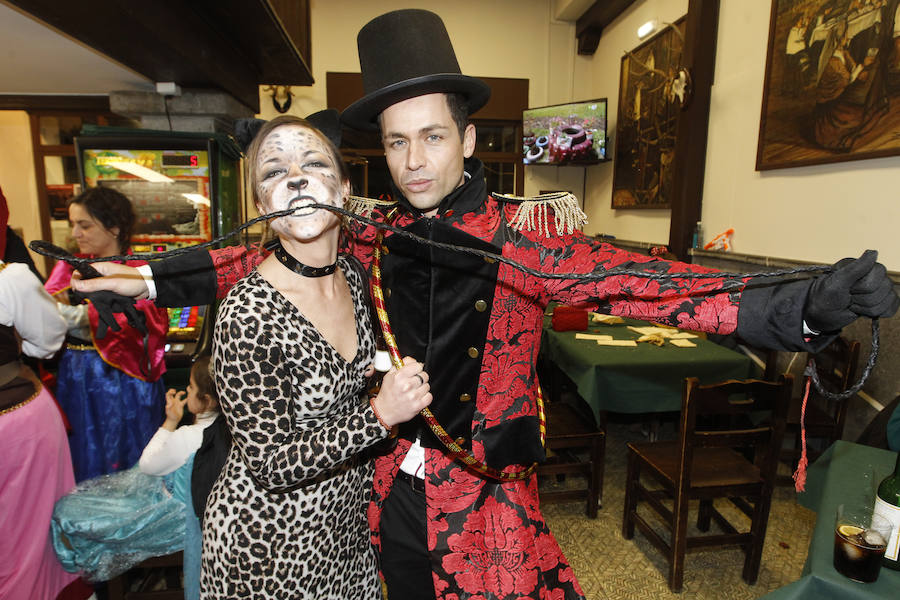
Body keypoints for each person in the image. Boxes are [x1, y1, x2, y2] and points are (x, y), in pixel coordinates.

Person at [72, 10, 899, 600]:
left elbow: (643, 284)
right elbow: (273, 230)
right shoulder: (374, 229)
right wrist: (151, 276)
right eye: (396, 142)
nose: (414, 161)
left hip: (486, 501)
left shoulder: (522, 238)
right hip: (384, 489)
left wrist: (803, 304)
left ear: (468, 137)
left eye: (432, 136)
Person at [201, 115, 431, 599]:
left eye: (312, 162)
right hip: (268, 547)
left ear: (344, 188)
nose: (296, 179)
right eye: (273, 172)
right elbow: (270, 463)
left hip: (346, 532)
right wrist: (381, 414)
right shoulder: (247, 311)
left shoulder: (352, 274)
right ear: (261, 204)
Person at [51, 355, 219, 599]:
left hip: (176, 521)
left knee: (71, 511)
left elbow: (148, 465)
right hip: (208, 518)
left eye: (191, 387)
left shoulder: (187, 437)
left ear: (205, 400)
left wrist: (170, 422)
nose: (186, 390)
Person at [45, 187, 170, 482]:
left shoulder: (138, 269)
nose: (76, 233)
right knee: (84, 450)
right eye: (73, 224)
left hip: (124, 378)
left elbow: (147, 321)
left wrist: (78, 316)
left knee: (127, 449)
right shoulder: (68, 268)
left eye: (85, 225)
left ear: (114, 227)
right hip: (76, 375)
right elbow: (44, 309)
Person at [0, 258, 81, 600]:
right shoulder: (9, 278)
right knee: (30, 540)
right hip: (17, 423)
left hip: (17, 424)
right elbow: (46, 342)